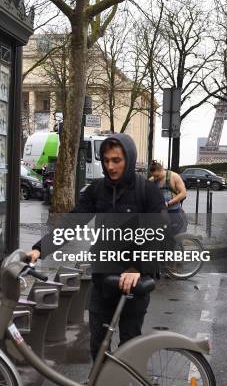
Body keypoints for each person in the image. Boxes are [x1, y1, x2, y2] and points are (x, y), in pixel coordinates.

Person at [27, 133, 167, 361]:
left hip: (133, 282)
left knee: (129, 345)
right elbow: (73, 222)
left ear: (129, 159)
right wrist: (39, 249)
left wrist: (137, 268)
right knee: (98, 345)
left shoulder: (147, 192)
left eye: (117, 160)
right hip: (103, 280)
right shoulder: (97, 190)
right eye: (106, 160)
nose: (110, 166)